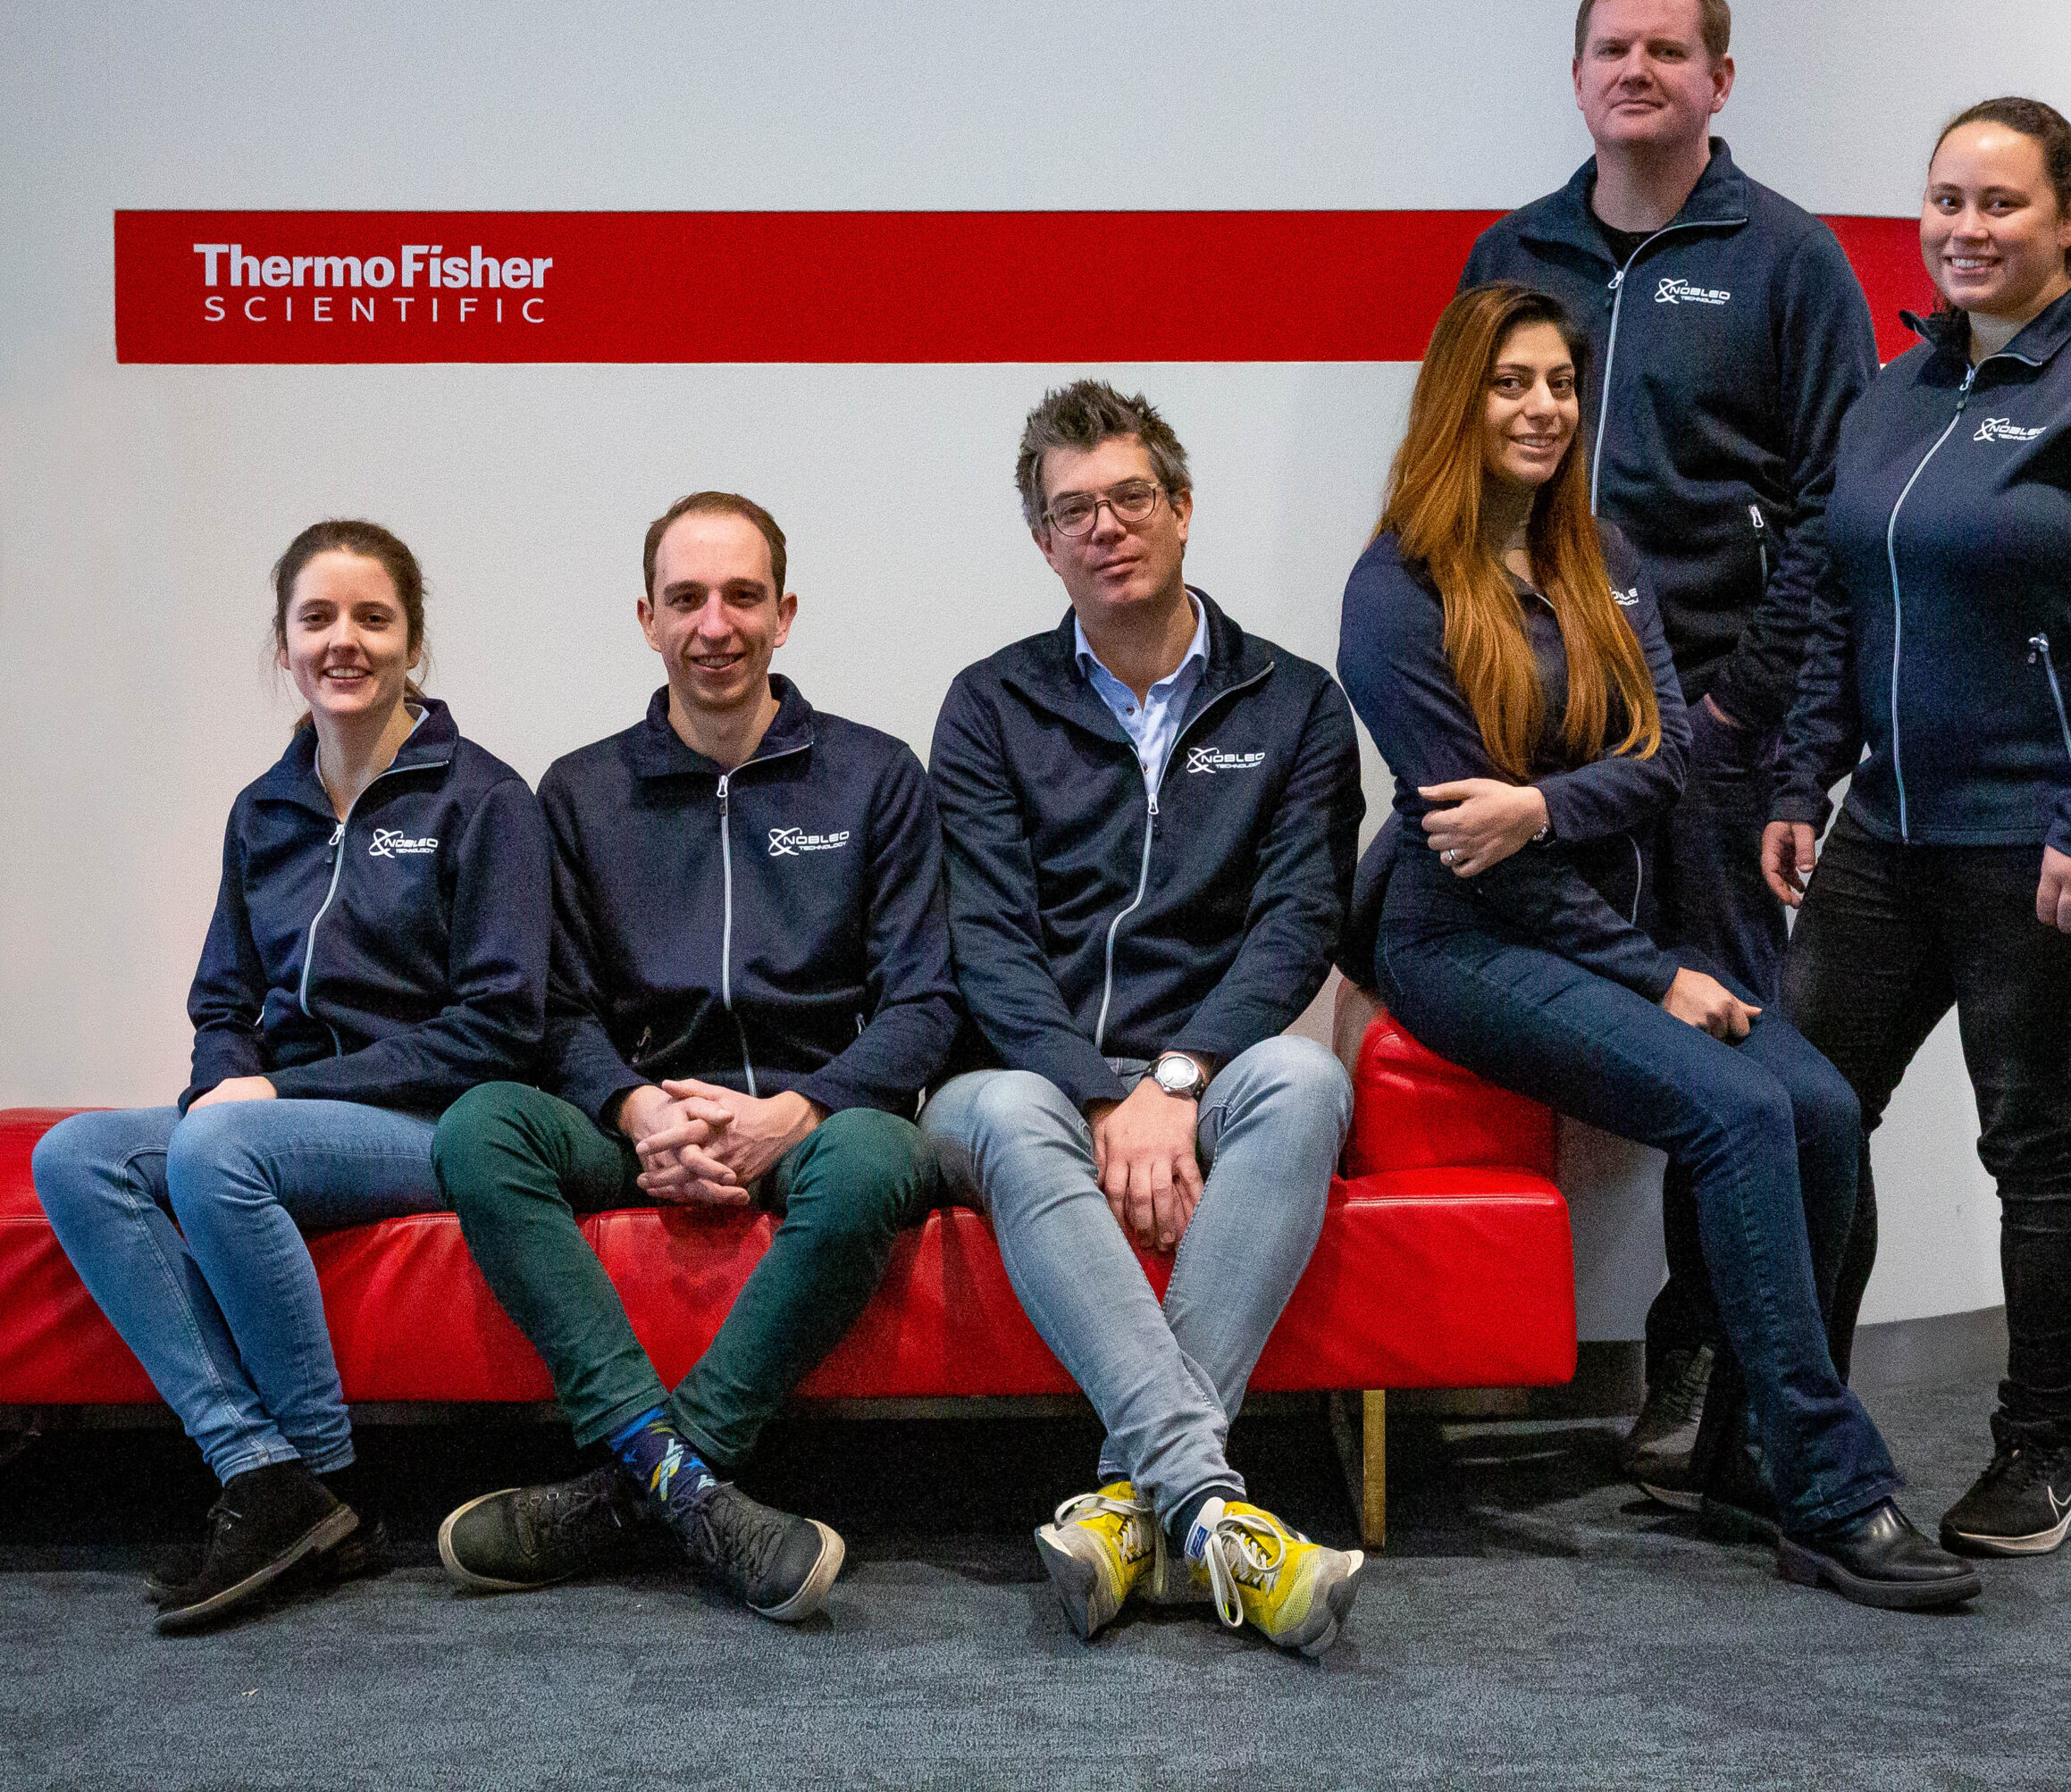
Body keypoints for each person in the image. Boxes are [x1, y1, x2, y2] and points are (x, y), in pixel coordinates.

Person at [1340, 284, 1977, 1610]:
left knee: (1819, 1105)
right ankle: (1830, 1486)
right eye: (1511, 382)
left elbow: (1670, 755)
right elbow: (1476, 853)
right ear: (1459, 398)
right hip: (1463, 943)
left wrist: (1543, 807)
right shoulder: (1396, 592)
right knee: (1738, 1112)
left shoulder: (1602, 556)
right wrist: (1649, 968)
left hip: (1598, 924)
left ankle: (1744, 1448)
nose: (1541, 408)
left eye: (1560, 383)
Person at [1765, 98, 2071, 1557]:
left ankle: (2044, 1458)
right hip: (1889, 826)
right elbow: (1840, 599)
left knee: (2031, 1138)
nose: (1966, 229)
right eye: (1947, 201)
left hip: (2047, 831)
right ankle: (1802, 1427)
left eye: (2002, 203)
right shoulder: (1900, 389)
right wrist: (1801, 777)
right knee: (1802, 1112)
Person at [1458, 0, 1879, 1494]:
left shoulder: (1788, 260)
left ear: (1719, 79)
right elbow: (1457, 465)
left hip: (1716, 727)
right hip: (1542, 720)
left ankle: (1706, 1352)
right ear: (1577, 77)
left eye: (1667, 50)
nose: (1636, 71)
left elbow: (1837, 511)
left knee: (1736, 1035)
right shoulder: (1516, 250)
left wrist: (1745, 705)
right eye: (1611, 49)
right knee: (1592, 994)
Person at [430, 492, 952, 1622]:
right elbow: (556, 1011)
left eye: (742, 596)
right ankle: (687, 1484)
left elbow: (924, 1002)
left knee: (878, 1157)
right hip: (642, 1127)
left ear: (784, 613)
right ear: (648, 619)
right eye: (687, 599)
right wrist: (637, 1112)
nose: (715, 624)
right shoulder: (579, 791)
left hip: (814, 1127)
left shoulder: (875, 775)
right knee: (480, 1125)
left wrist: (796, 1111)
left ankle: (640, 1484)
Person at [32, 519, 549, 1635]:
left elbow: (502, 1026)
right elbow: (224, 1003)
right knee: (72, 1153)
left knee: (221, 1144)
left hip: (427, 1121)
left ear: (413, 643)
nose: (342, 640)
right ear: (284, 644)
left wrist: (272, 1099)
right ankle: (264, 1472)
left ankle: (324, 1471)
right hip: (274, 1124)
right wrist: (232, 1079)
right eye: (317, 618)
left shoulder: (485, 799)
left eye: (373, 617)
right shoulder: (262, 808)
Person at [923, 381, 1368, 1657]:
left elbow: (1297, 924)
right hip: (1024, 1077)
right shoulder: (990, 704)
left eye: (1129, 497)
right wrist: (1100, 1092)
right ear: (1043, 543)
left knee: (1307, 1083)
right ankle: (1212, 1510)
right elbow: (988, 944)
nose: (1105, 527)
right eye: (1074, 511)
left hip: (1204, 1071)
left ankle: (1134, 1502)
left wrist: (1176, 1078)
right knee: (1014, 1107)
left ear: (1180, 508)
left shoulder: (1293, 702)